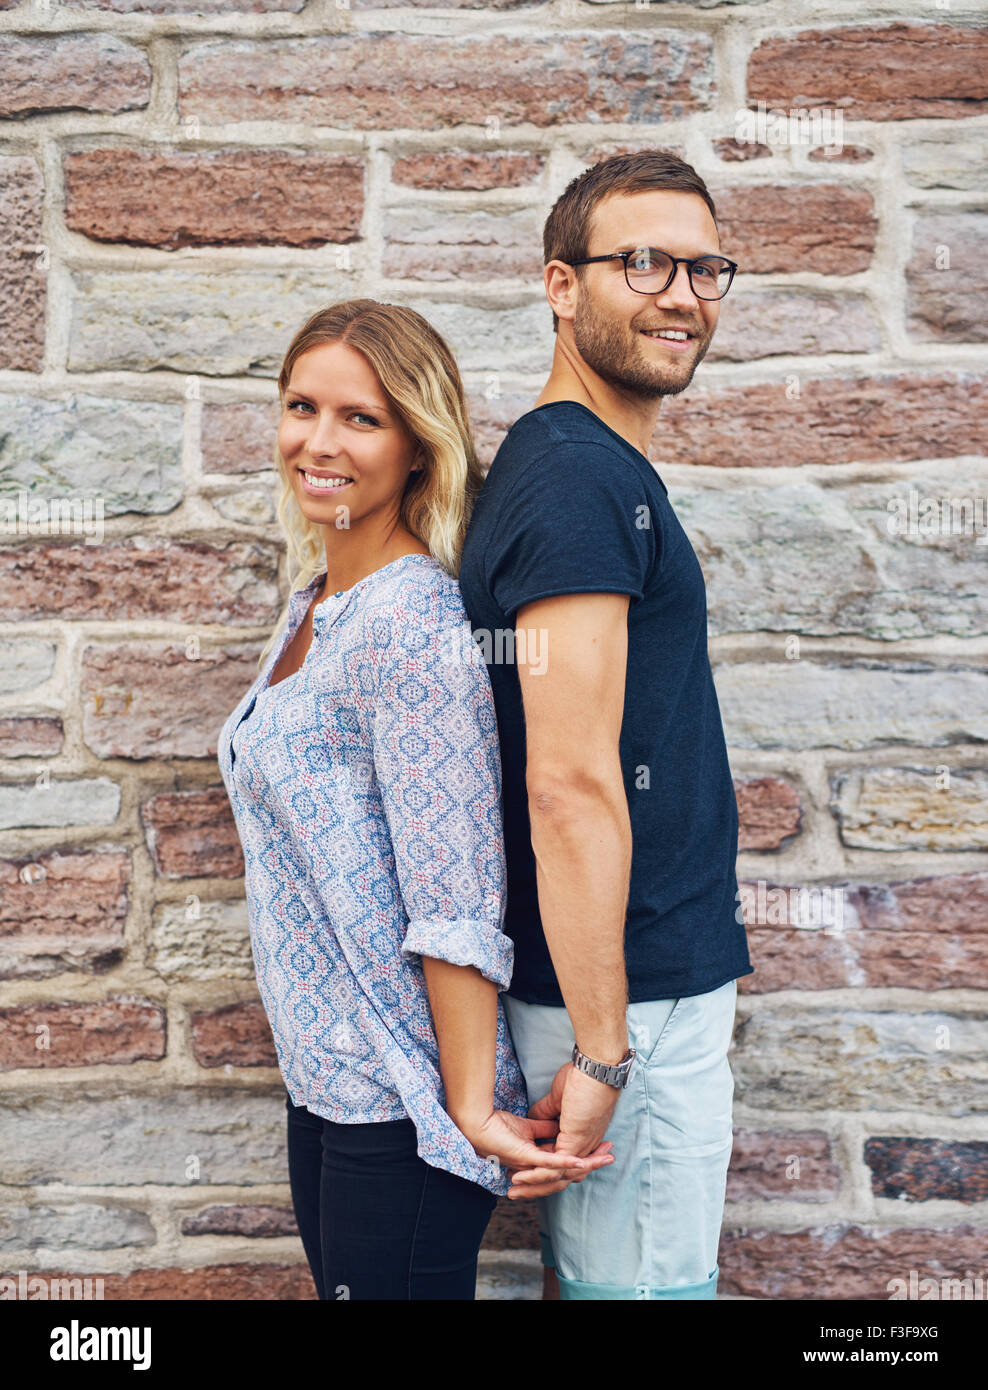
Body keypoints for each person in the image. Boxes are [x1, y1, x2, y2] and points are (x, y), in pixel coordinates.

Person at [217, 299, 613, 1302]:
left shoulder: (412, 621)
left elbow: (455, 891)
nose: (318, 440)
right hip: (328, 1089)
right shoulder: (318, 601)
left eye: (361, 417)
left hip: (398, 1106)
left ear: (418, 447)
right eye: (301, 405)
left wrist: (466, 1103)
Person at [458, 149, 755, 1300]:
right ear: (561, 286)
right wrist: (601, 1050)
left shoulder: (580, 466)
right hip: (634, 991)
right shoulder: (578, 481)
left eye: (703, 267)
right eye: (641, 261)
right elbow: (567, 782)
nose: (680, 293)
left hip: (636, 985)